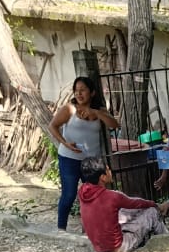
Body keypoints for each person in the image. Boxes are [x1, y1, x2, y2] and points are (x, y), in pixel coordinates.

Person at [49, 77, 120, 234]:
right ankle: (61, 229)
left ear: (92, 92)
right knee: (69, 194)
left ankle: (88, 230)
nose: (79, 94)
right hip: (69, 158)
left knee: (93, 195)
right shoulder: (69, 109)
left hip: (91, 161)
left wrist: (96, 113)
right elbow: (52, 126)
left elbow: (115, 125)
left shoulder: (100, 110)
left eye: (83, 90)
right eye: (76, 91)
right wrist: (64, 143)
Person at [78, 156, 169, 252]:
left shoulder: (82, 191)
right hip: (120, 246)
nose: (110, 172)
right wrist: (156, 205)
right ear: (103, 177)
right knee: (152, 211)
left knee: (122, 211)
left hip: (98, 247)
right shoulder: (112, 196)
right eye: (108, 170)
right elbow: (137, 203)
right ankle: (168, 241)